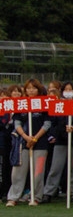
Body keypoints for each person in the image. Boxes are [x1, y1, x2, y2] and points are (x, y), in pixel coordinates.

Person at [5, 79, 52, 207]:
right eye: (28, 88)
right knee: (18, 172)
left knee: (38, 172)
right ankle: (13, 197)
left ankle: (36, 196)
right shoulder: (22, 104)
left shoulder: (44, 104)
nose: (31, 90)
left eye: (34, 88)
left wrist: (35, 138)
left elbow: (47, 124)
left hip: (40, 143)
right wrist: (26, 137)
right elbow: (17, 123)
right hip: (23, 143)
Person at [42, 81, 73, 203]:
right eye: (66, 90)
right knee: (55, 167)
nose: (68, 92)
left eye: (70, 89)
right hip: (60, 140)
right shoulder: (58, 105)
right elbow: (54, 122)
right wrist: (57, 133)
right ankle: (48, 192)